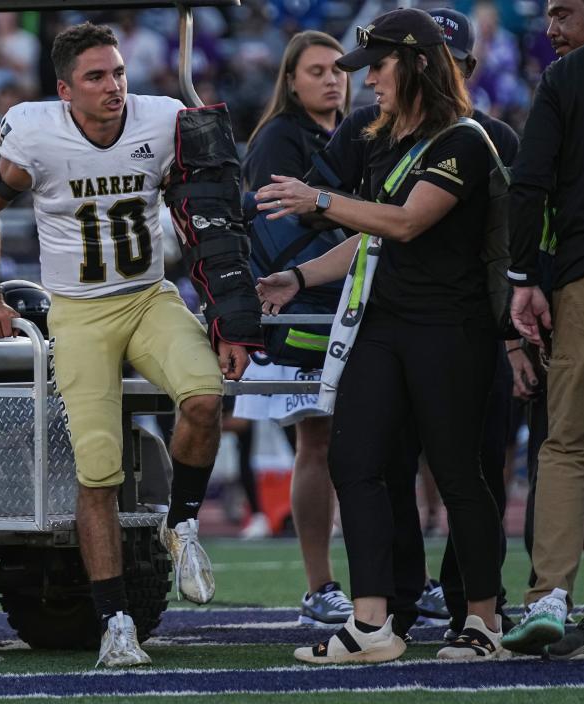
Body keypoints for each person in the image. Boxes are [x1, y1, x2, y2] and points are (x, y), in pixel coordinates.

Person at [0, 22, 251, 667]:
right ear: (65, 89)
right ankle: (116, 622)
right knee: (98, 471)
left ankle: (180, 522)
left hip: (150, 296)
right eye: (95, 77)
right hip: (80, 311)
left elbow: (210, 207)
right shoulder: (36, 135)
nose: (113, 86)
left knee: (206, 397)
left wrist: (231, 309)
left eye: (118, 72)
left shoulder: (163, 119)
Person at [257, 8, 504, 662]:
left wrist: (320, 202)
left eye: (379, 68)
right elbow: (372, 237)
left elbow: (406, 222)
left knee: (457, 474)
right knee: (354, 460)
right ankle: (372, 625)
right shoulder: (379, 137)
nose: (368, 83)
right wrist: (298, 277)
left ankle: (483, 620)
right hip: (384, 323)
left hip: (452, 329)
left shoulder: (466, 140)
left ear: (419, 63)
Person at [236, 30, 354, 627]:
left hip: (352, 302)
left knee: (361, 444)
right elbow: (285, 227)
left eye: (338, 69)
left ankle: (386, 582)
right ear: (291, 80)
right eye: (316, 71)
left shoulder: (352, 128)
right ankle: (320, 586)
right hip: (309, 306)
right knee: (320, 441)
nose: (332, 79)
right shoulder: (281, 138)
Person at [500, 0, 584, 659]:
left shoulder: (565, 80)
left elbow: (528, 183)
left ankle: (549, 598)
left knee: (566, 445)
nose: (551, 28)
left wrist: (521, 278)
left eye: (564, 11)